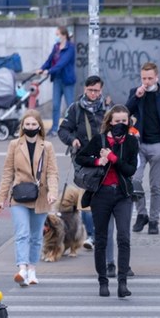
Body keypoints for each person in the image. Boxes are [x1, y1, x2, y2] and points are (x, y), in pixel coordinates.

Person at [75, 105, 138, 298]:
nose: (120, 124)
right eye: (117, 121)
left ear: (129, 122)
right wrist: (97, 161)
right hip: (100, 195)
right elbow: (81, 157)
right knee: (101, 239)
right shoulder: (100, 139)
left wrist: (112, 157)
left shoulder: (130, 142)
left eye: (124, 121)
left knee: (124, 238)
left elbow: (130, 170)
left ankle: (122, 282)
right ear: (110, 121)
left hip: (122, 195)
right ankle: (103, 281)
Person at [0, 110, 59, 287]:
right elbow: (7, 172)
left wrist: (52, 192)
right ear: (22, 126)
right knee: (22, 233)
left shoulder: (47, 147)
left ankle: (32, 269)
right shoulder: (14, 145)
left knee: (36, 236)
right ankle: (22, 269)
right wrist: (1, 198)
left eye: (33, 124)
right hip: (19, 196)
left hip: (40, 197)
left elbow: (53, 172)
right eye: (27, 124)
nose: (30, 127)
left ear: (39, 126)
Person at [126, 62, 160, 235]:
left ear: (157, 77)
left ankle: (154, 220)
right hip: (139, 145)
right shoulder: (135, 92)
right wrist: (136, 96)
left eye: (150, 78)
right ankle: (142, 214)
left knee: (156, 186)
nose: (146, 81)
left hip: (158, 146)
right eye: (143, 78)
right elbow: (124, 113)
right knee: (135, 180)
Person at [58, 75, 108, 250]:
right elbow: (63, 130)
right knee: (86, 196)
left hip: (104, 158)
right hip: (83, 159)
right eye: (90, 90)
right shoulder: (75, 109)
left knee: (104, 195)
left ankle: (102, 232)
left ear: (101, 90)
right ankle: (92, 235)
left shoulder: (108, 108)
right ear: (85, 89)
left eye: (97, 90)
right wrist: (73, 140)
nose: (93, 94)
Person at [37, 26, 76, 136]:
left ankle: (72, 128)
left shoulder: (70, 48)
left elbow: (62, 63)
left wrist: (49, 71)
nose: (56, 36)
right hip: (57, 80)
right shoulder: (56, 47)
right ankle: (54, 129)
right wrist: (42, 68)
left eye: (57, 34)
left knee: (70, 106)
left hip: (67, 80)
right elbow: (49, 60)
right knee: (55, 105)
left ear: (64, 35)